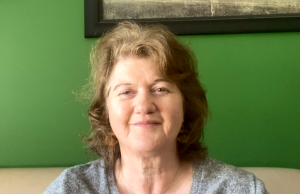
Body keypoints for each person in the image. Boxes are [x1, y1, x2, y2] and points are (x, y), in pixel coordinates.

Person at [44, 22, 268, 194]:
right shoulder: (70, 188)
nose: (144, 105)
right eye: (126, 92)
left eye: (160, 89)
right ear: (105, 112)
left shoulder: (240, 189)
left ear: (185, 103)